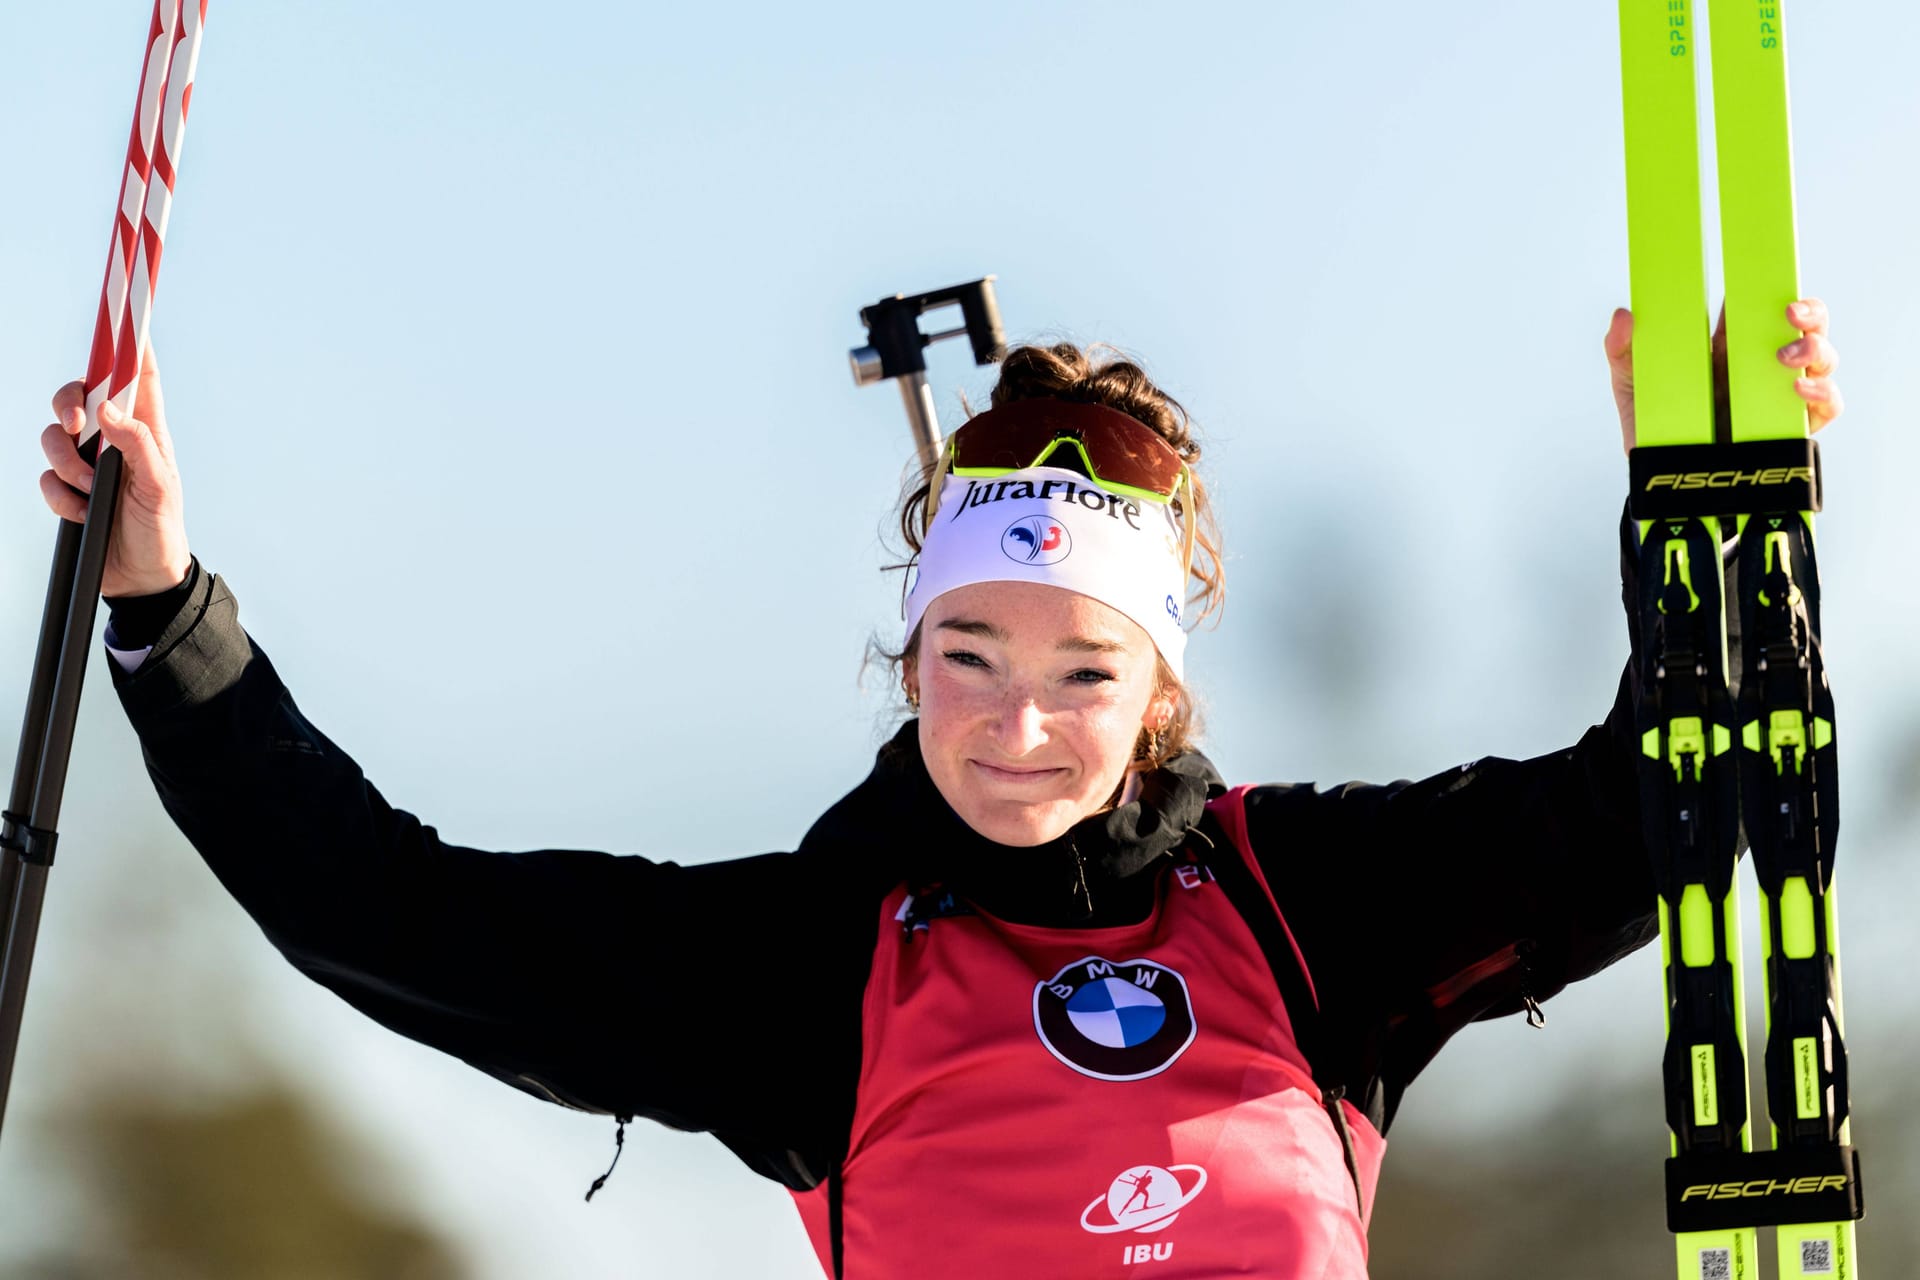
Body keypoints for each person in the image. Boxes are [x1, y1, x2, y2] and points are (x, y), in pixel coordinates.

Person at [36, 303, 1842, 1278]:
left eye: (1082, 675)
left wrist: (1707, 497)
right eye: (969, 657)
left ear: (1154, 698)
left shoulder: (1301, 907)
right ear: (908, 658)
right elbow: (386, 907)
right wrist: (163, 609)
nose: (1018, 726)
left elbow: (1660, 818)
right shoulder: (819, 959)